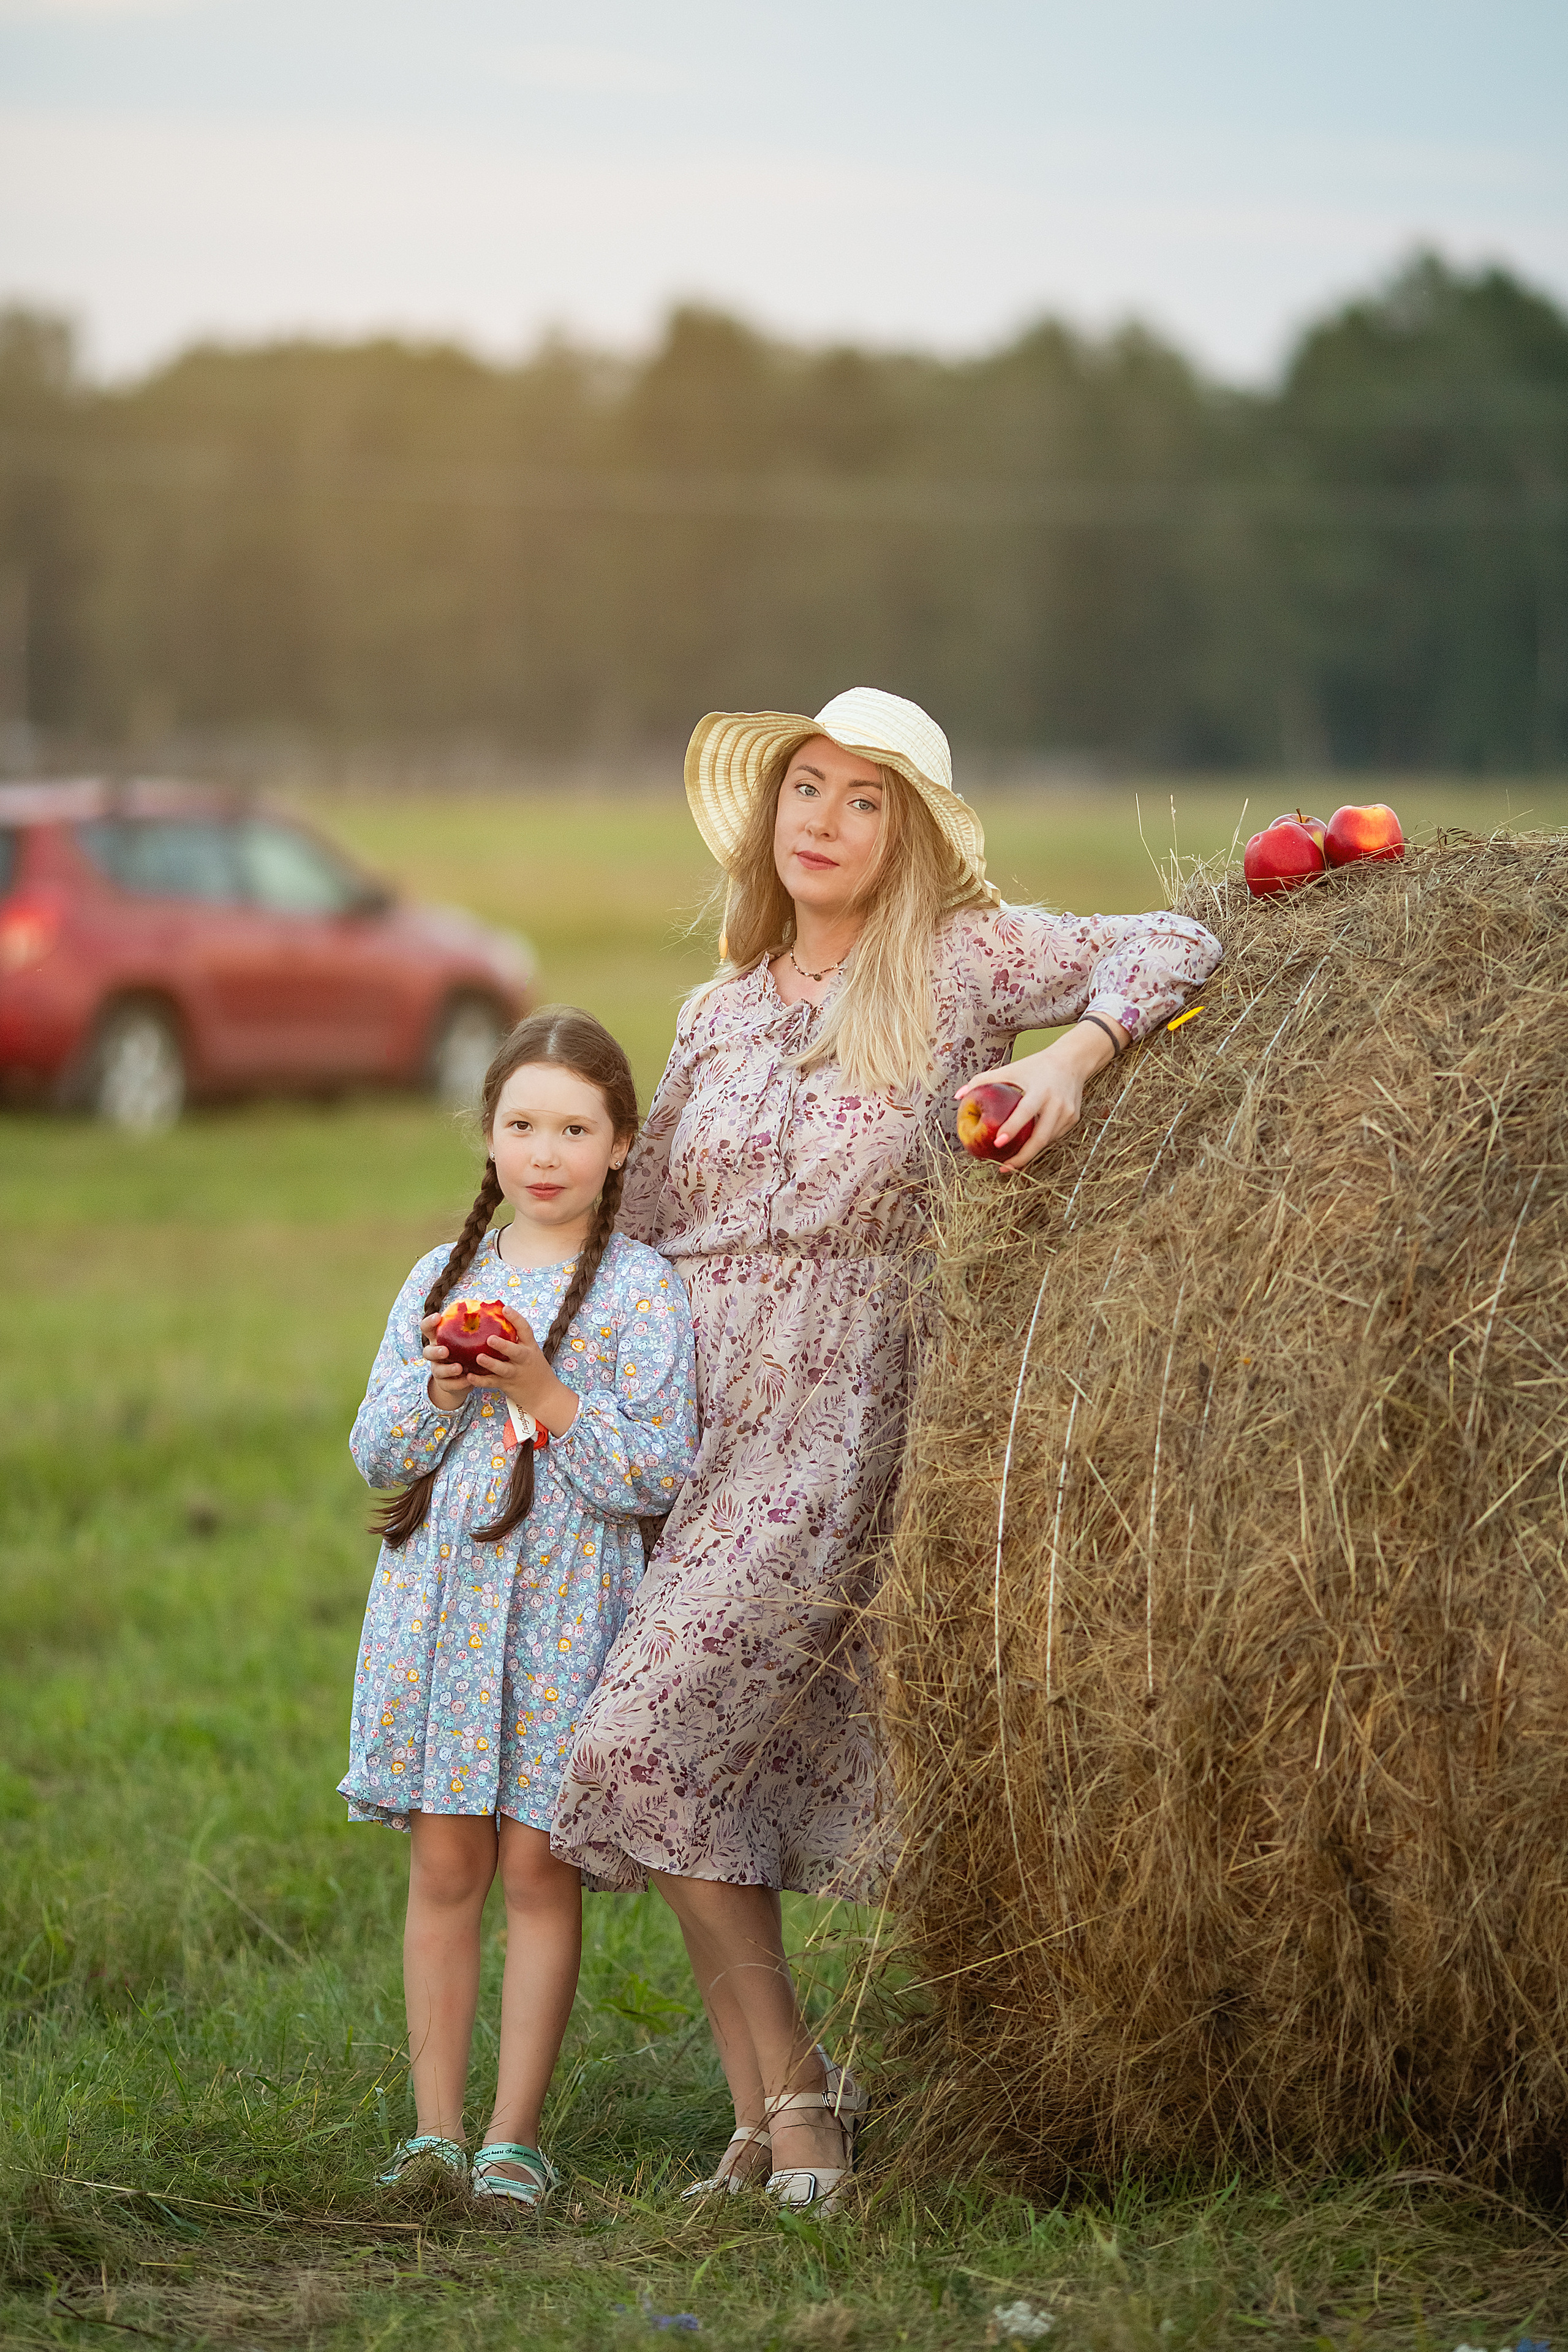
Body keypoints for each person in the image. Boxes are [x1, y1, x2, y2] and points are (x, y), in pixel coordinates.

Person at [552, 688, 1223, 2213]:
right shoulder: (716, 1008)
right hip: (689, 1425)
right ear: (766, 813)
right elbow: (643, 1222)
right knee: (691, 1769)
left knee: (635, 1744)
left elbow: (1177, 942)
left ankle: (799, 2101)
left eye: (865, 798)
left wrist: (1070, 1064)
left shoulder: (964, 963)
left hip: (840, 1414)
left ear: (907, 831)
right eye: (806, 787)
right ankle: (764, 2104)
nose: (824, 820)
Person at [340, 1006, 699, 2214]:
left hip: (565, 1617)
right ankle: (434, 2130)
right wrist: (444, 1389)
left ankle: (511, 2136)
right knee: (447, 1863)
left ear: (620, 1144)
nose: (544, 1151)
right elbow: (374, 1451)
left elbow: (654, 1475)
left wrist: (546, 1394)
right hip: (443, 1615)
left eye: (574, 1127)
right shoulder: (443, 1282)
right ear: (487, 1140)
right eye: (521, 1124)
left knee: (538, 1868)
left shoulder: (643, 1291)